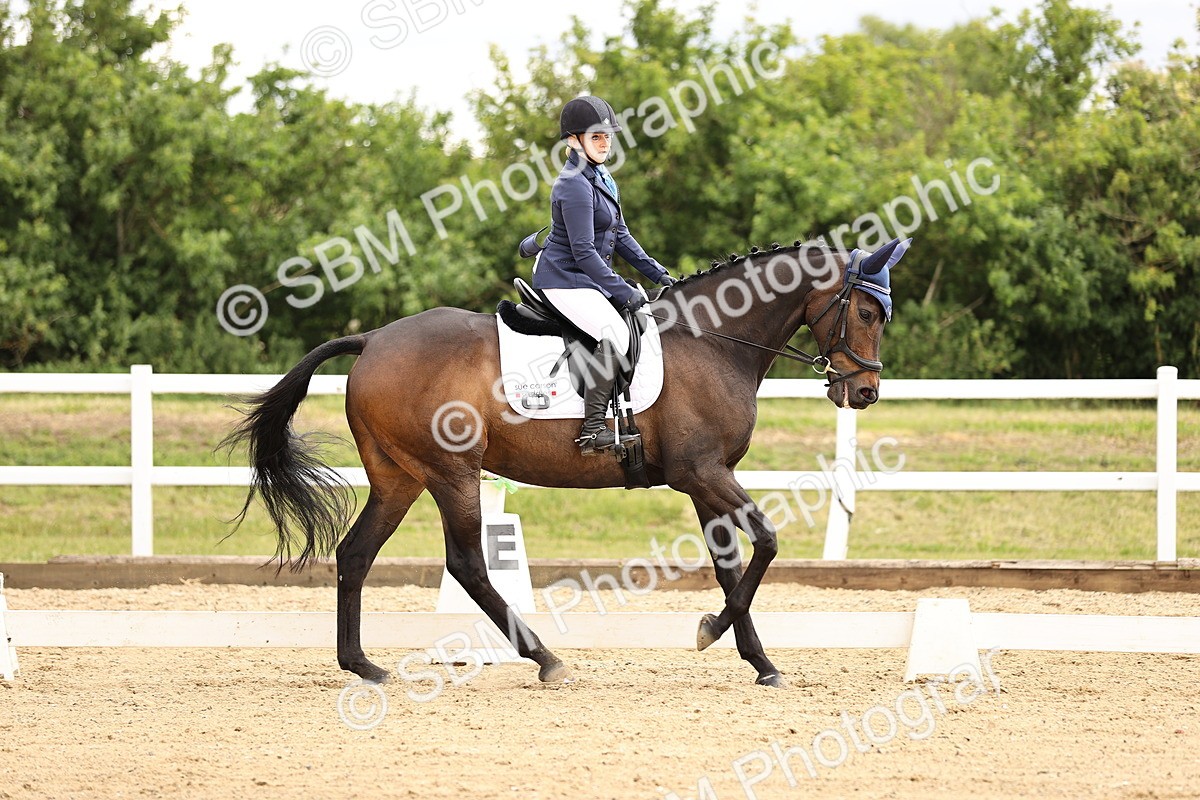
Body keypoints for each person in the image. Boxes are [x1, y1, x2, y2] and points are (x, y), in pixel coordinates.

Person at [521, 95, 676, 456]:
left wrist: (659, 275)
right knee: (615, 334)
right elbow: (584, 252)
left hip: (585, 278)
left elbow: (621, 236)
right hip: (563, 278)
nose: (605, 143)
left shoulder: (602, 177)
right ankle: (592, 431)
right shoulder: (573, 184)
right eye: (596, 137)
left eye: (607, 136)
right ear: (573, 140)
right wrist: (622, 290)